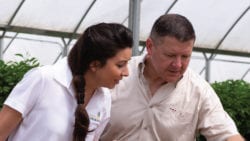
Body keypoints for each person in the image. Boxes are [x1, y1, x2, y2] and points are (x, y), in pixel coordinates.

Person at [100, 14, 245, 141]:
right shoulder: (117, 76)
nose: (178, 64)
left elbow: (224, 133)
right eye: (170, 55)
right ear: (150, 46)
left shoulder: (198, 90)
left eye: (185, 56)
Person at [0, 22, 133, 141]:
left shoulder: (104, 99)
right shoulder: (43, 79)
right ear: (95, 65)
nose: (126, 73)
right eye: (120, 65)